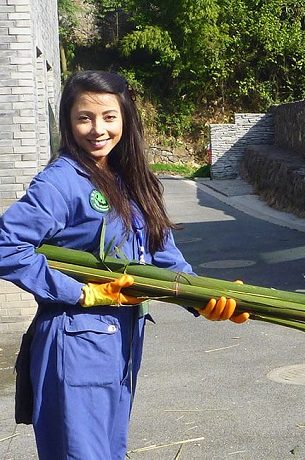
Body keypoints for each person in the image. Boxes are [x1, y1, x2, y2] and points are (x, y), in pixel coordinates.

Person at [0, 70, 248, 460]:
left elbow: (162, 254)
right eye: (84, 117)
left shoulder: (128, 180)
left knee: (110, 452)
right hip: (76, 343)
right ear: (68, 121)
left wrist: (205, 298)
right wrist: (79, 292)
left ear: (125, 119)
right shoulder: (60, 183)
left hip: (121, 342)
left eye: (109, 117)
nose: (98, 129)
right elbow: (6, 246)